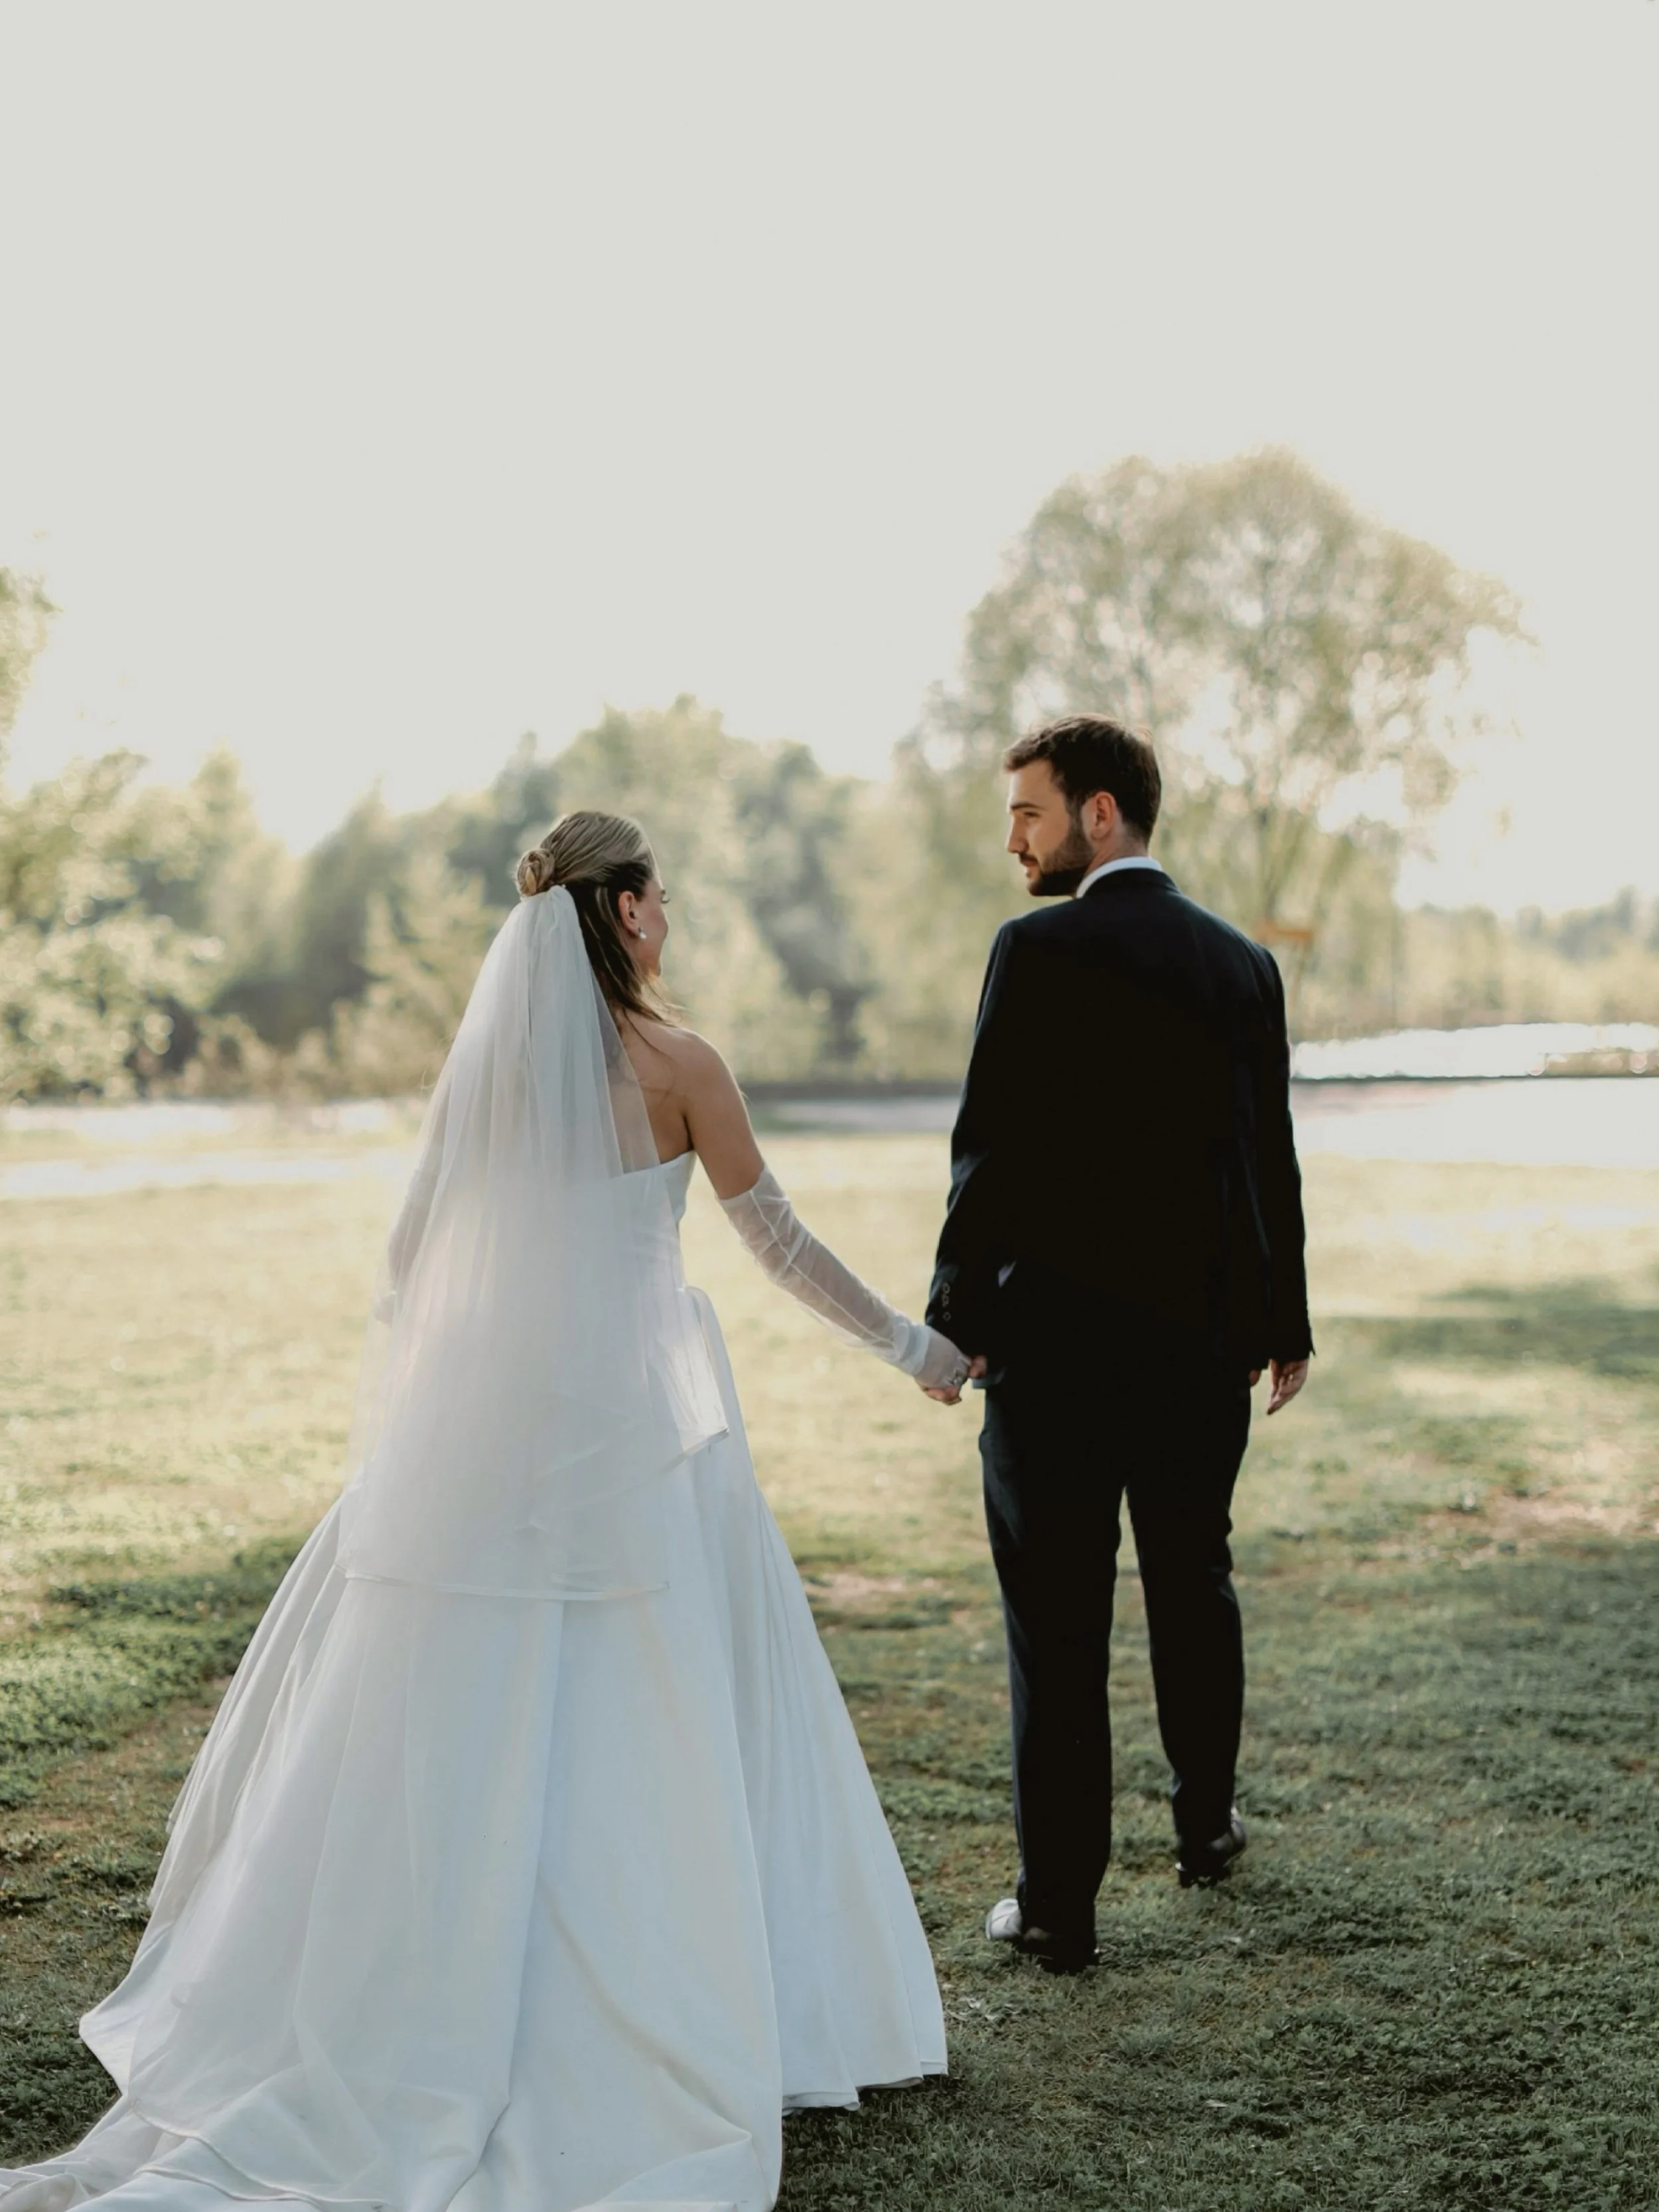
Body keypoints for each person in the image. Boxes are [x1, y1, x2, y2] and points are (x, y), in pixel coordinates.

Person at [1, 811, 965, 2212]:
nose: (668, 916)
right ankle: (646, 2005)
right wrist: (913, 1348)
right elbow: (776, 1243)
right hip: (640, 1439)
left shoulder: (491, 1073)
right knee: (651, 1710)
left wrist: (472, 1374)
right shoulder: (681, 1062)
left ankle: (422, 1996)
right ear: (626, 909)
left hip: (493, 1438)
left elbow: (410, 1258)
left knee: (468, 1713)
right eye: (661, 896)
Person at [924, 716, 1313, 1974]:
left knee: (1059, 1619)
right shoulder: (1242, 964)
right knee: (1194, 1584)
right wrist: (1284, 1323)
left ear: (1101, 814)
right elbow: (1271, 1160)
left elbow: (989, 1153)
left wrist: (955, 1318)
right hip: (1202, 1354)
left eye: (1029, 814)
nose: (1015, 840)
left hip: (1059, 1360)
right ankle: (1207, 1830)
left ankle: (1059, 1911)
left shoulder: (1033, 950)